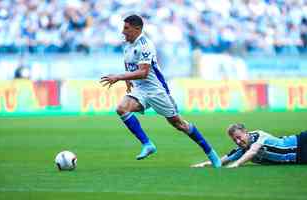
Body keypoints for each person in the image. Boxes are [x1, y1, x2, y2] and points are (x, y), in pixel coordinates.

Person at [100, 14, 221, 167]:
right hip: (140, 89)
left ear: (137, 29)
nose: (123, 32)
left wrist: (119, 77)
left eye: (126, 28)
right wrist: (128, 81)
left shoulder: (145, 45)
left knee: (179, 124)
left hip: (156, 90)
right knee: (121, 108)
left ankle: (211, 153)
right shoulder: (128, 44)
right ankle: (148, 144)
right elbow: (129, 63)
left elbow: (144, 72)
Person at [191, 123, 307, 168]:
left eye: (239, 137)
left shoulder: (258, 136)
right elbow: (223, 160)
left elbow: (253, 152)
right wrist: (204, 164)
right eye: (234, 139)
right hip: (299, 158)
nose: (237, 141)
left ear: (245, 132)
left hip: (300, 143)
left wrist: (237, 164)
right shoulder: (242, 149)